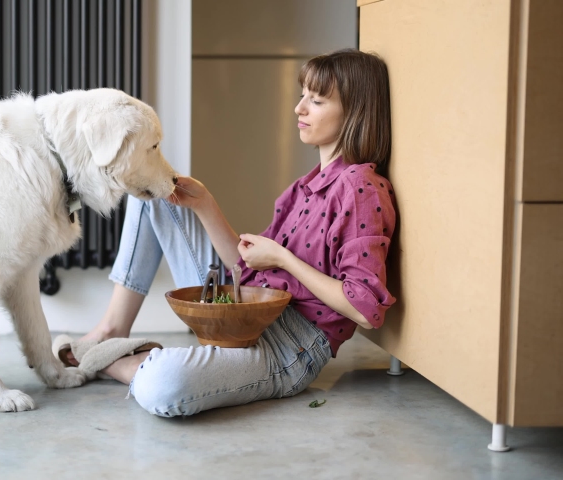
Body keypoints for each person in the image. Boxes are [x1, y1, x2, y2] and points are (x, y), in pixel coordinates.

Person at [52, 48, 396, 417]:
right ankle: (112, 330)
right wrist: (204, 205)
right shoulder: (304, 187)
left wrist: (283, 259)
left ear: (354, 113)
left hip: (290, 344)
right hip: (248, 306)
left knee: (162, 387)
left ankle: (117, 361)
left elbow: (365, 308)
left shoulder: (360, 187)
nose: (299, 109)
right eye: (302, 97)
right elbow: (246, 269)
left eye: (316, 100)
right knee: (155, 191)